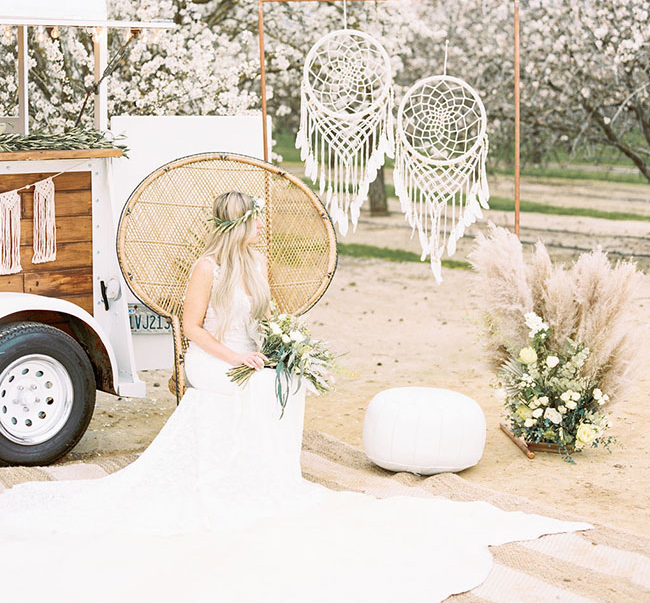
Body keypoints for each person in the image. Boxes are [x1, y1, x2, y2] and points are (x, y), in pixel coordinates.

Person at [0, 191, 591, 603]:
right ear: (239, 223)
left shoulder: (255, 261)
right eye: (256, 220)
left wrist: (282, 346)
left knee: (287, 383)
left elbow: (266, 315)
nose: (263, 227)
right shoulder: (206, 267)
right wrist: (236, 358)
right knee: (239, 386)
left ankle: (264, 472)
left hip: (249, 352)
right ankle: (226, 478)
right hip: (211, 358)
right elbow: (195, 330)